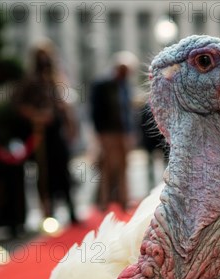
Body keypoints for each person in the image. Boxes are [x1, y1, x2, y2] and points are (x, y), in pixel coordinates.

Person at [14, 40, 78, 225]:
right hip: (40, 133)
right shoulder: (29, 80)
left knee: (64, 170)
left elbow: (65, 106)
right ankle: (47, 212)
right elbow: (19, 105)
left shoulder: (56, 77)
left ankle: (70, 209)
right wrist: (36, 116)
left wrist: (71, 124)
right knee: (44, 172)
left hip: (57, 130)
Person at [90, 52, 137, 211]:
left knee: (124, 166)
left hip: (122, 132)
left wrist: (130, 132)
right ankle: (103, 202)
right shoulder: (102, 84)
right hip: (107, 132)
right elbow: (96, 111)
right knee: (106, 167)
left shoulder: (125, 85)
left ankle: (123, 200)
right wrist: (99, 134)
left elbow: (127, 111)